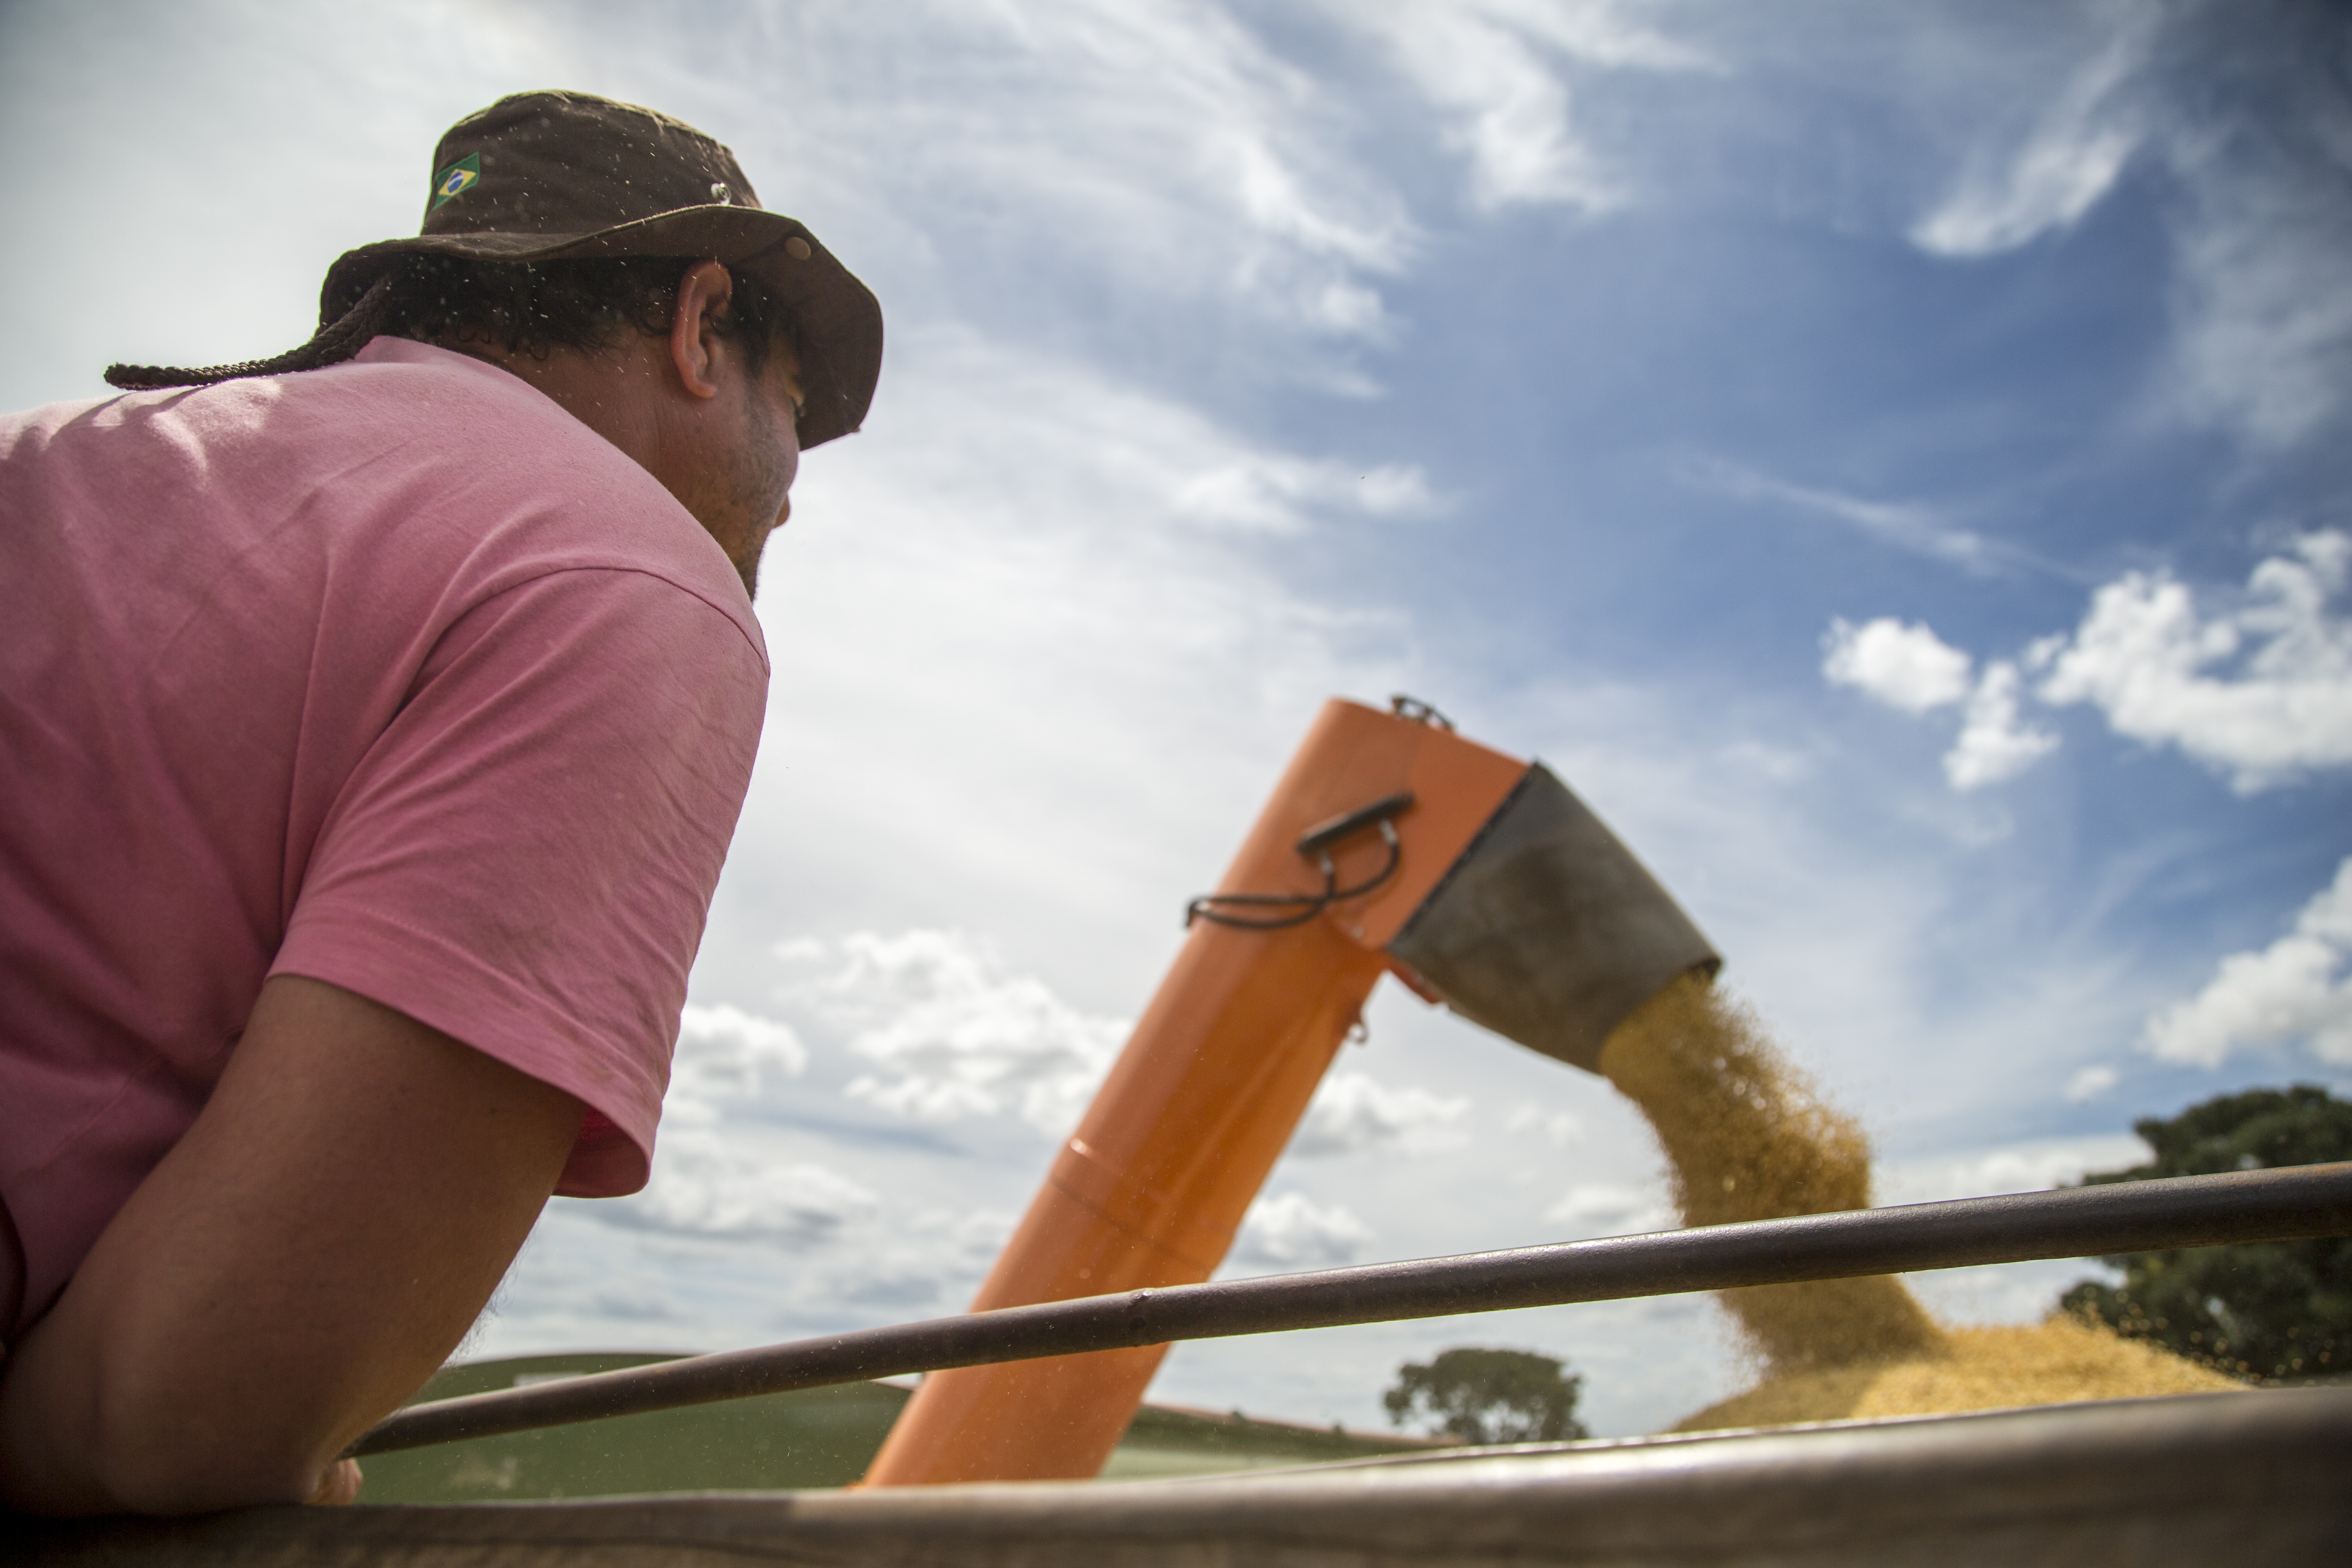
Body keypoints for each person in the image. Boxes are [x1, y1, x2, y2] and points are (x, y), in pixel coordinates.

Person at [0, 90, 881, 1517]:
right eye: (796, 402)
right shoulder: (626, 579)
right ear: (702, 323)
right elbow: (163, 1423)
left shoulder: (49, 451)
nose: (790, 496)